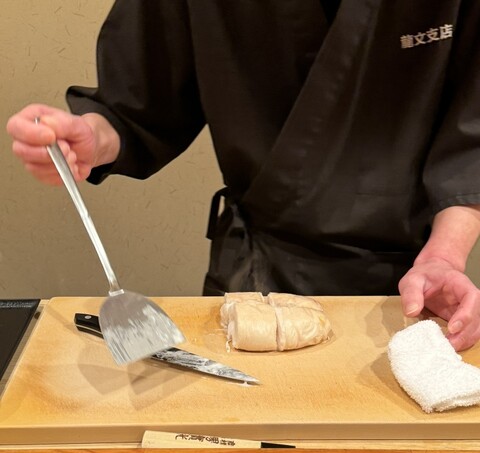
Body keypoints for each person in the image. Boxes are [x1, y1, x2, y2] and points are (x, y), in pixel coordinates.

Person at [6, 0, 480, 351]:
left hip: (412, 281)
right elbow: (136, 105)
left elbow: (472, 132)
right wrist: (91, 137)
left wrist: (444, 257)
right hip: (254, 272)